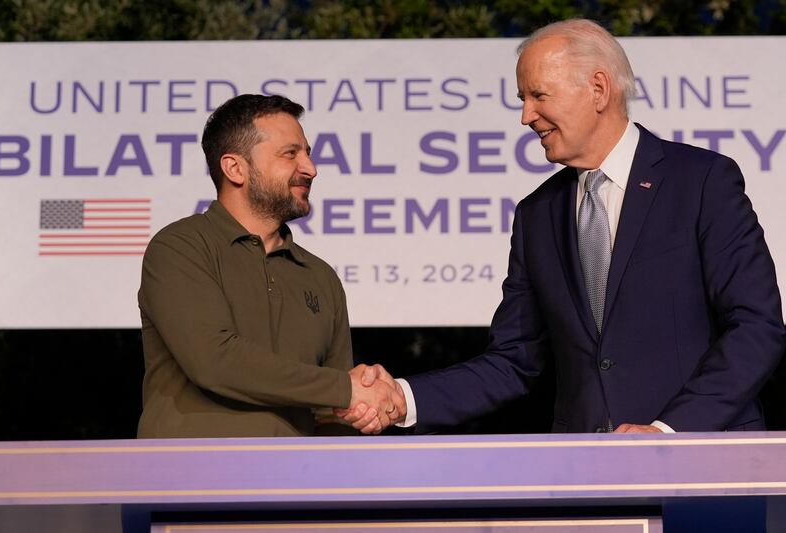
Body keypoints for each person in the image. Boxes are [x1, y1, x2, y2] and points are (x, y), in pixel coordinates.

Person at [340, 19, 785, 434]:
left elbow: (756, 325)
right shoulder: (537, 215)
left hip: (706, 466)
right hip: (588, 478)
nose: (526, 116)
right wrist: (401, 396)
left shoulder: (701, 181)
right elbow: (513, 361)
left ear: (597, 88)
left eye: (538, 95)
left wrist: (668, 432)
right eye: (522, 100)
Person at [137, 94, 400, 438]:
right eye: (291, 154)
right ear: (235, 168)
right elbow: (215, 361)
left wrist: (360, 411)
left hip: (294, 484)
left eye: (308, 153)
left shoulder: (320, 277)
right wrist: (347, 390)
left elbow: (331, 408)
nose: (310, 168)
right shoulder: (181, 247)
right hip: (190, 480)